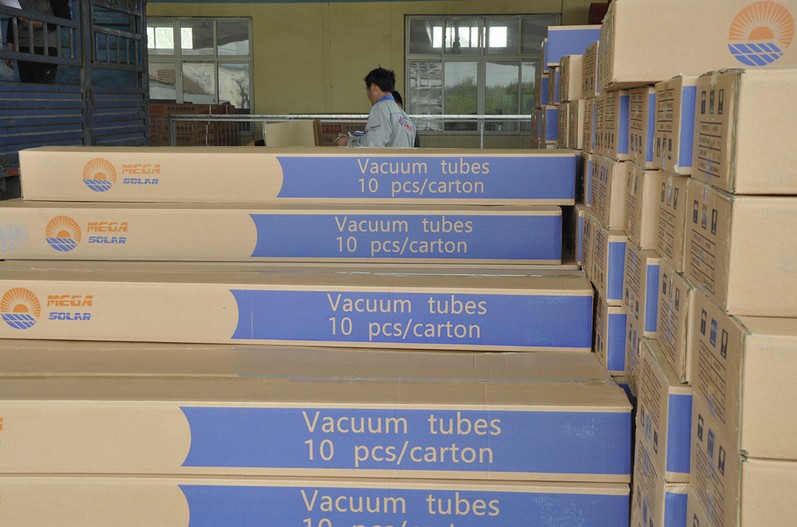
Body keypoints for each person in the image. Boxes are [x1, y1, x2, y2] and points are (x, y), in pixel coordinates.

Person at [335, 67, 417, 148]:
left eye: (367, 89)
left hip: (384, 157)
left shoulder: (380, 108)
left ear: (373, 88)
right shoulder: (405, 117)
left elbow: (372, 143)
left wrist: (349, 142)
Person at [5, 0, 70, 84]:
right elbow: (12, 19)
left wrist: (35, 23)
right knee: (27, 88)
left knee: (42, 89)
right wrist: (9, 52)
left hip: (45, 48)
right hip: (23, 48)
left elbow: (64, 18)